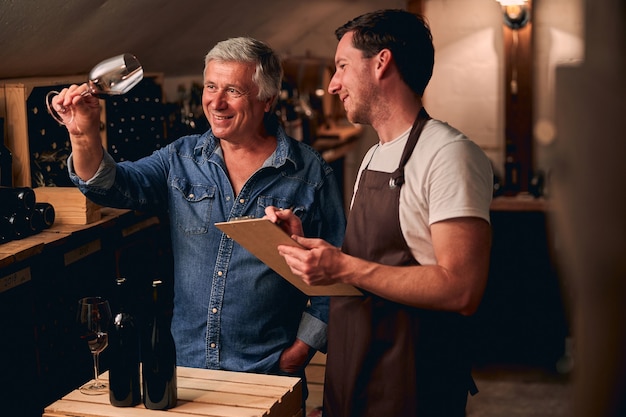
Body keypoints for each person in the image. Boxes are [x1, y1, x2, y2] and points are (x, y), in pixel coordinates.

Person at [50, 37, 346, 399]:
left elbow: (336, 279)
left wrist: (298, 353)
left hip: (267, 371)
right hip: (187, 368)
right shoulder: (181, 158)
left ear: (267, 99)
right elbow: (110, 187)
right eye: (210, 86)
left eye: (233, 90)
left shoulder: (309, 173)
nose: (216, 102)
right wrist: (83, 136)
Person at [265, 9, 493, 417]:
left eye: (342, 66)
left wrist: (343, 267)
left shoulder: (448, 154)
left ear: (381, 62)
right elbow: (367, 268)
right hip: (353, 375)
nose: (333, 85)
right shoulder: (372, 157)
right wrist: (307, 247)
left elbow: (462, 289)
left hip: (411, 385)